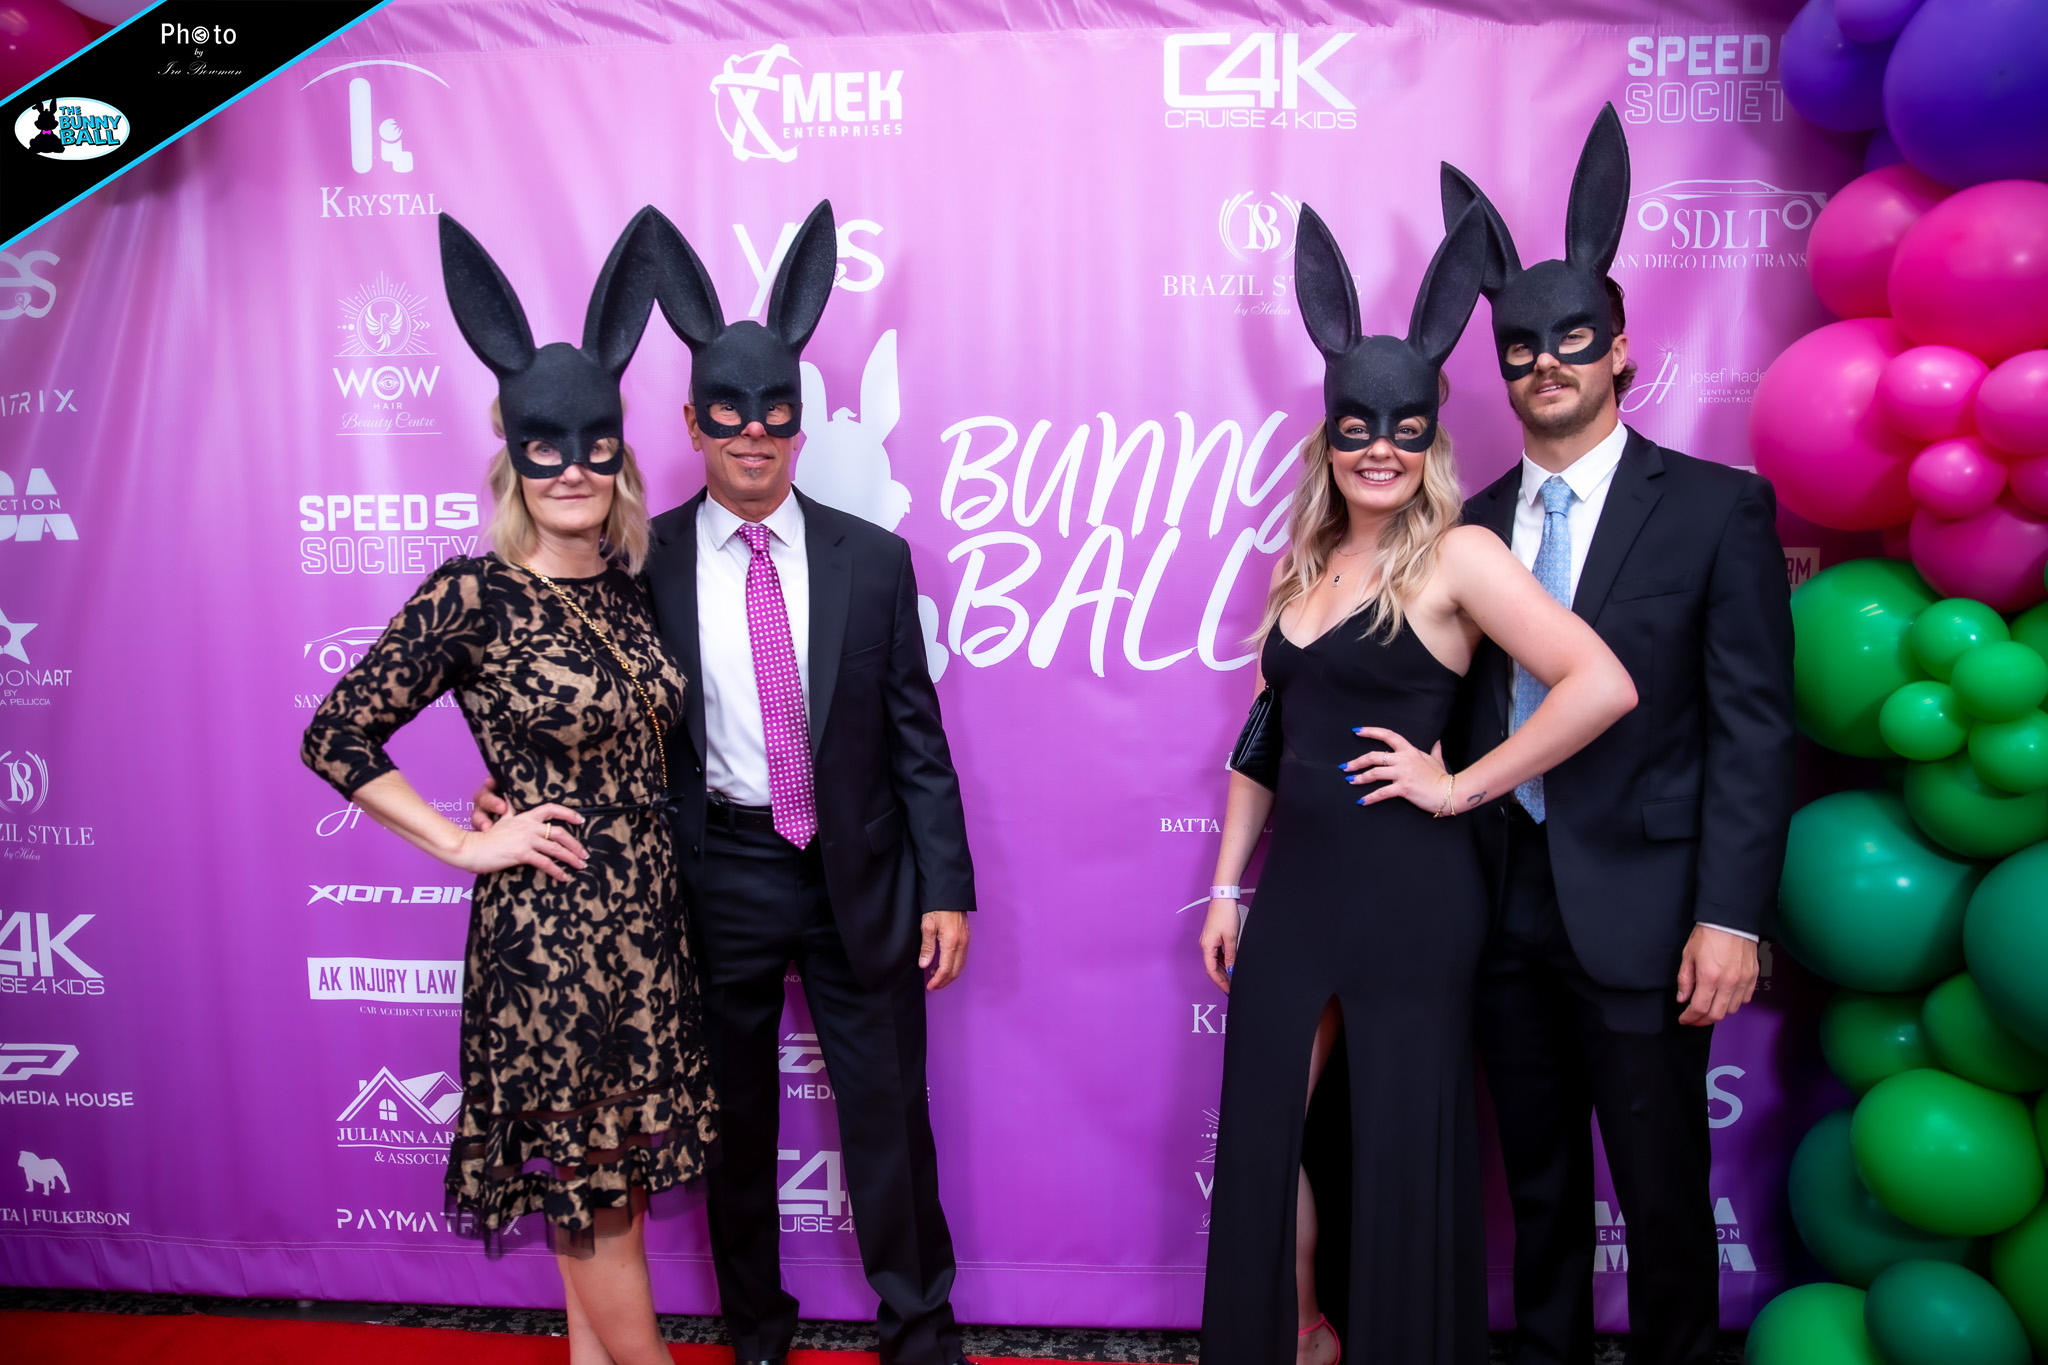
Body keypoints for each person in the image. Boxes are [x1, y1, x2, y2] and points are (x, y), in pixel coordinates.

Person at [478, 200, 978, 1365]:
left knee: (889, 1120)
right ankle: (756, 1332)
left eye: (774, 412)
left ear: (796, 421)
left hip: (859, 874)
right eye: (728, 413)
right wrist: (509, 794)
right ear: (692, 423)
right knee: (732, 1127)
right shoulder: (635, 563)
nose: (753, 434)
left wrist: (946, 887)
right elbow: (579, 709)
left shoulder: (875, 560)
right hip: (712, 878)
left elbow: (917, 740)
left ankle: (919, 1334)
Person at [1198, 203, 1638, 1365]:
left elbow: (1597, 684)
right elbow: (1262, 735)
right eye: (1356, 430)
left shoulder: (1459, 555)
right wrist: (1226, 886)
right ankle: (1299, 1334)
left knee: (1399, 1133)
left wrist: (1460, 787)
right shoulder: (1303, 563)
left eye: (1402, 428)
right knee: (1264, 1133)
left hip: (1411, 888)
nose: (1378, 450)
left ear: (1430, 433)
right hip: (1299, 888)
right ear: (1329, 438)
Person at [303, 211, 713, 1365]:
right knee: (596, 1196)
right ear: (514, 459)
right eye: (546, 447)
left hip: (649, 927)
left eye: (593, 446)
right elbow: (336, 733)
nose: (572, 469)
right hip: (551, 941)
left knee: (607, 1189)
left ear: (618, 455)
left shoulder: (630, 588)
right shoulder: (472, 594)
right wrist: (461, 840)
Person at [1440, 105, 1797, 1365]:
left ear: (1619, 346)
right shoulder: (1467, 525)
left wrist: (1729, 915)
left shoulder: (1714, 510)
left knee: (1658, 1193)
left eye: (1571, 339)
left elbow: (1753, 728)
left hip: (1646, 909)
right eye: (1519, 347)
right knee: (1533, 1187)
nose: (1544, 364)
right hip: (1499, 904)